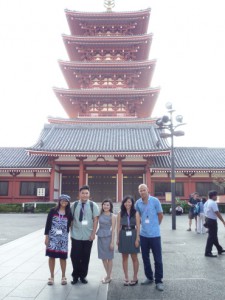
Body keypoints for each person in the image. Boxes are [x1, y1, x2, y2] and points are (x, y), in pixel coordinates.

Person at [135, 184, 164, 292]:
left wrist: (156, 225)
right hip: (144, 235)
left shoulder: (155, 201)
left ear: (148, 190)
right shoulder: (138, 203)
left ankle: (159, 280)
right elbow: (137, 217)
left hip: (155, 235)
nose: (142, 192)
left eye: (144, 190)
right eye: (140, 190)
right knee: (145, 258)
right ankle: (149, 277)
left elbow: (160, 215)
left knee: (158, 259)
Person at [70, 185, 99, 284]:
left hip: (88, 236)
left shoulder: (93, 205)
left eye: (86, 193)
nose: (85, 195)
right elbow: (71, 220)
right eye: (83, 193)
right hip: (76, 235)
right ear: (79, 194)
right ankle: (75, 275)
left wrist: (93, 234)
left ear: (89, 194)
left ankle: (83, 276)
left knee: (85, 256)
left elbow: (95, 220)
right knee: (75, 256)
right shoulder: (73, 205)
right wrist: (71, 232)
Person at [44, 194, 73, 286]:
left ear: (68, 202)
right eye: (62, 200)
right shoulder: (53, 211)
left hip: (63, 238)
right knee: (51, 256)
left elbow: (71, 225)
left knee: (63, 257)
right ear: (59, 201)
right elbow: (48, 224)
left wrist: (72, 235)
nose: (64, 202)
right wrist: (47, 237)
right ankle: (51, 276)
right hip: (53, 237)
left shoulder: (69, 212)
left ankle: (63, 276)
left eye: (66, 201)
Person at [117, 195, 140, 286]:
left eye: (129, 202)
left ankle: (135, 277)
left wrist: (137, 238)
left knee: (134, 257)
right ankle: (126, 277)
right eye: (126, 202)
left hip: (133, 234)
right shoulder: (120, 213)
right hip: (123, 234)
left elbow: (138, 227)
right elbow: (118, 227)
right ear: (123, 203)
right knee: (124, 257)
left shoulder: (136, 213)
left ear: (132, 203)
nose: (128, 203)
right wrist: (117, 239)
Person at [96, 198, 116, 284]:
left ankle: (108, 276)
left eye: (108, 205)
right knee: (103, 257)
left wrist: (112, 242)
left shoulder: (113, 216)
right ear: (102, 206)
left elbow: (114, 230)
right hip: (100, 236)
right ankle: (108, 275)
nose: (106, 206)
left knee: (109, 258)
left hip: (108, 237)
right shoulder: (99, 215)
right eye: (104, 204)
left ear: (110, 206)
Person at [204, 190, 225, 257]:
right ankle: (207, 252)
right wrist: (223, 221)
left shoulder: (207, 202)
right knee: (211, 237)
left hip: (208, 219)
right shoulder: (213, 203)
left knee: (214, 236)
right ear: (213, 196)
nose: (217, 197)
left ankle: (219, 249)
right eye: (216, 195)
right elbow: (217, 213)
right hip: (212, 221)